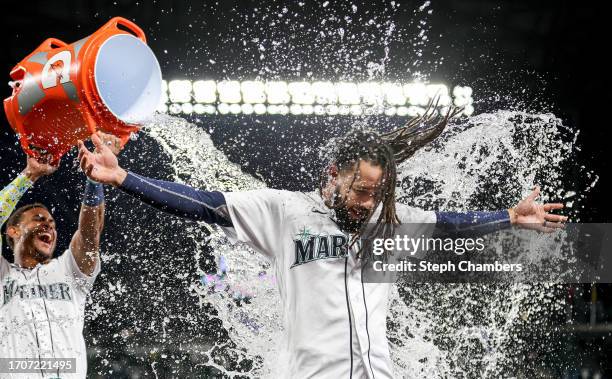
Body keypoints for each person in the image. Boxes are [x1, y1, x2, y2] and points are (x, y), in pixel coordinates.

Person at [78, 109, 567, 378]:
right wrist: (123, 177)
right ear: (333, 176)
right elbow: (202, 203)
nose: (366, 202)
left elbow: (449, 224)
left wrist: (507, 216)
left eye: (376, 193)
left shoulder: (388, 219)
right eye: (359, 191)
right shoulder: (285, 212)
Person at [1, 133, 121, 378]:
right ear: (13, 231)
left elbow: (90, 233)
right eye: (39, 219)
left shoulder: (67, 269)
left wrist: (95, 179)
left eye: (52, 223)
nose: (49, 226)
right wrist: (29, 175)